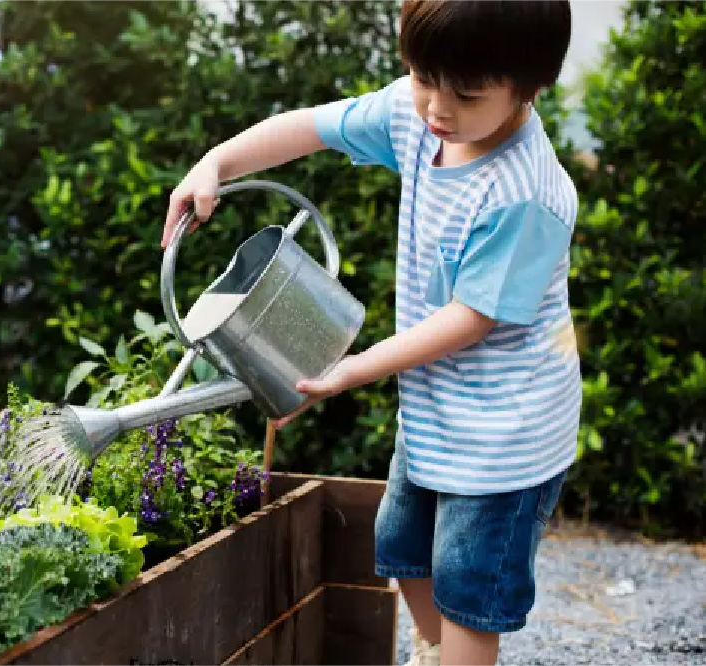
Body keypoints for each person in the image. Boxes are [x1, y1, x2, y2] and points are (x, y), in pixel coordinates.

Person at [161, 2, 578, 664]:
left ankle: (457, 649)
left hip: (506, 433)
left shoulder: (525, 194)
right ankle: (435, 649)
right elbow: (311, 127)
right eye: (420, 78)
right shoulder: (417, 117)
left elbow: (472, 317)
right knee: (402, 546)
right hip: (437, 409)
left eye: (464, 95)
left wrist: (355, 367)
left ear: (528, 85)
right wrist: (217, 161)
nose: (436, 108)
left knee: (468, 584)